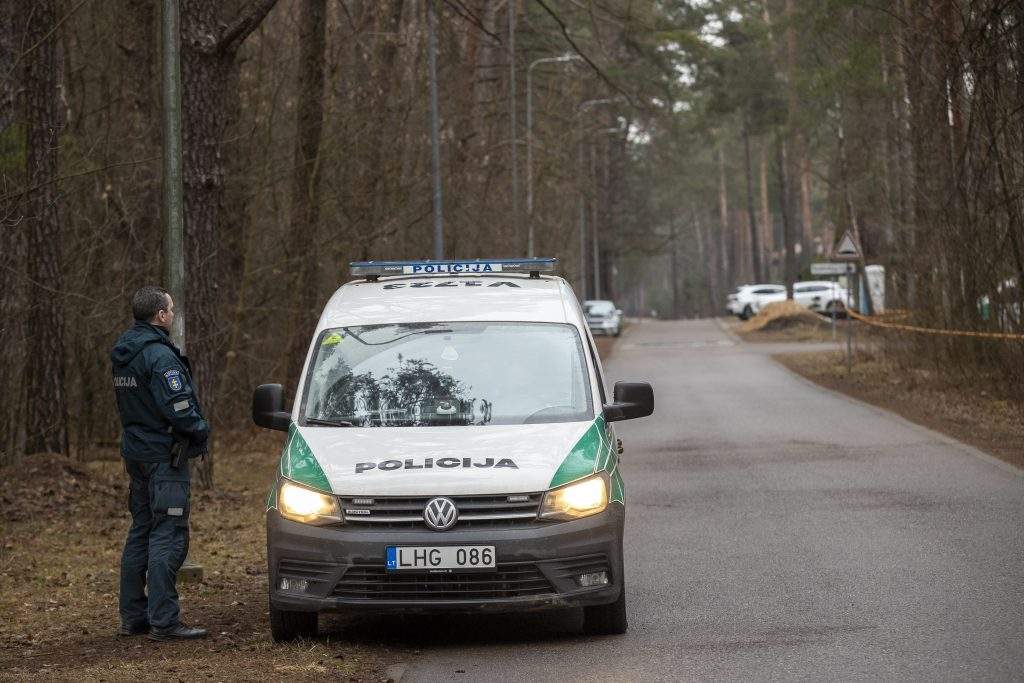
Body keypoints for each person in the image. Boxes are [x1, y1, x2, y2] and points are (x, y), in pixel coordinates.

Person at [110, 286, 209, 641]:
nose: (173, 313)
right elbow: (179, 408)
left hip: (136, 453)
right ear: (160, 315)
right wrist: (201, 430)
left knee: (141, 529)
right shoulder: (159, 356)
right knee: (168, 533)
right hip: (163, 457)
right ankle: (164, 621)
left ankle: (133, 617)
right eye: (171, 309)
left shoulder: (124, 353)